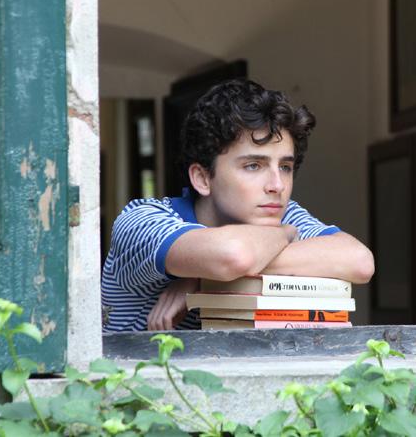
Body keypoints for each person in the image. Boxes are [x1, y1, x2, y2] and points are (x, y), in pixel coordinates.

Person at [101, 79, 375, 332]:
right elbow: (234, 256)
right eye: (253, 165)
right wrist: (285, 234)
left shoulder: (278, 212)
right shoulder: (142, 220)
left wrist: (200, 279)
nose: (277, 185)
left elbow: (359, 261)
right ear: (202, 178)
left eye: (285, 167)